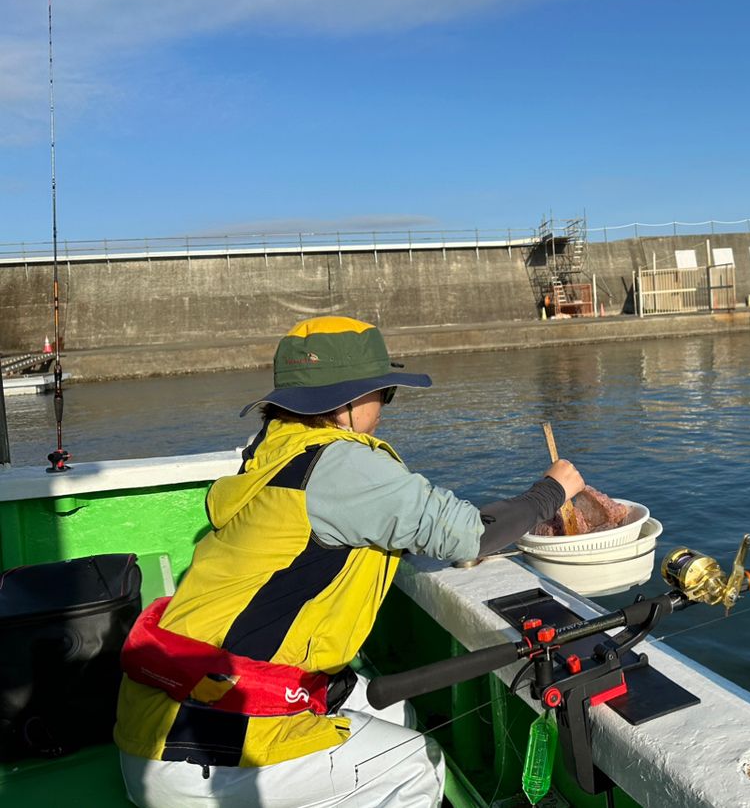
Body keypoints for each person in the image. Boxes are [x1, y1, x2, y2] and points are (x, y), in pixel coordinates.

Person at [113, 316, 584, 808]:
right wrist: (552, 491)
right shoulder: (341, 465)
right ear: (343, 406)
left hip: (161, 715)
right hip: (199, 751)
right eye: (383, 393)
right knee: (415, 765)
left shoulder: (274, 449)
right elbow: (468, 534)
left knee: (393, 710)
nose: (383, 408)